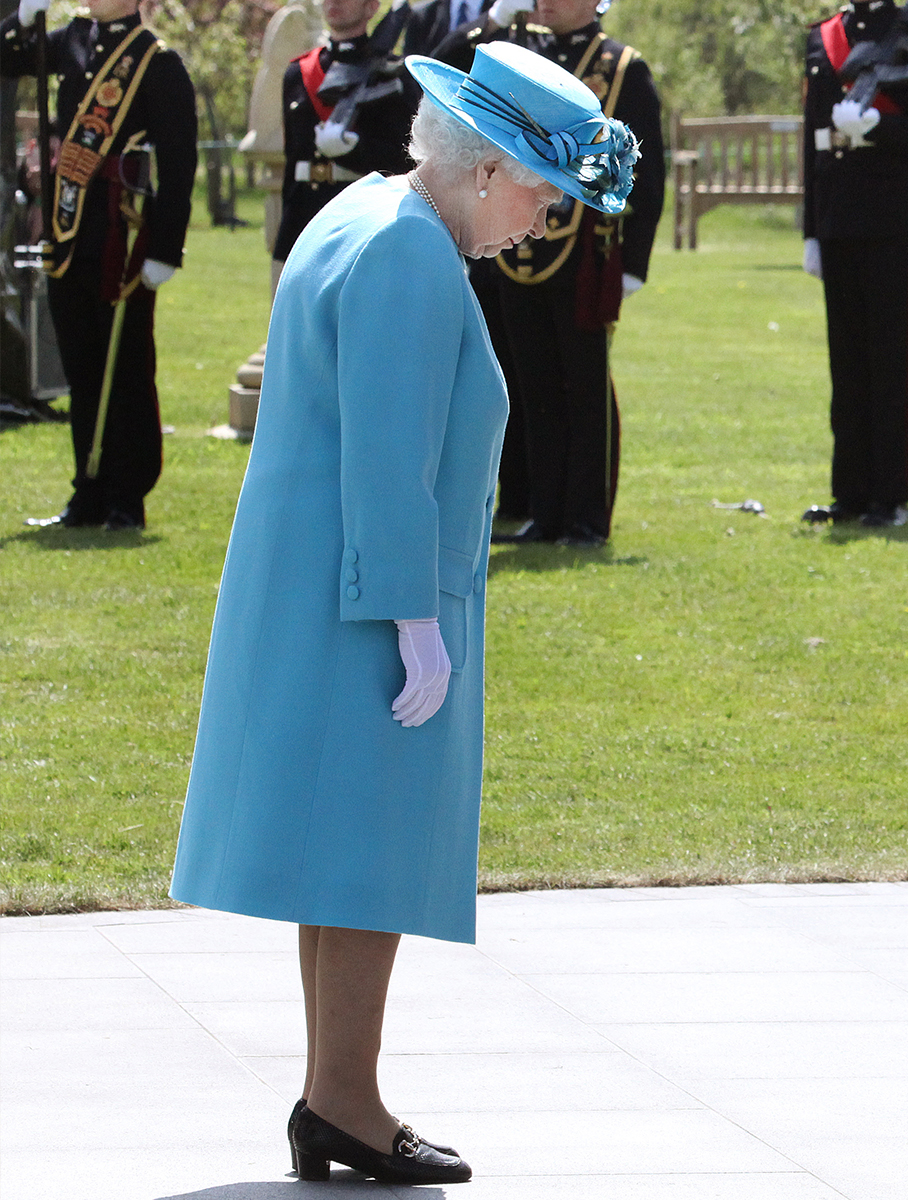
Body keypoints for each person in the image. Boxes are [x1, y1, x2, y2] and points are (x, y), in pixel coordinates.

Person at [167, 42, 636, 1184]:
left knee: (337, 859)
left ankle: (337, 1098)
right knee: (367, 857)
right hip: (363, 602)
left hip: (318, 587)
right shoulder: (409, 257)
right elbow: (389, 456)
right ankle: (348, 1103)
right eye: (541, 195)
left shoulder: (368, 211)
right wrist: (413, 615)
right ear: (485, 171)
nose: (542, 223)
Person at [437, 0, 663, 546]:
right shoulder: (522, 53)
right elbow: (439, 70)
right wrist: (491, 20)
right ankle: (544, 510)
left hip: (586, 253)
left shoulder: (621, 65)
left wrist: (633, 263)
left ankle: (586, 519)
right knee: (530, 383)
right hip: (519, 247)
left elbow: (648, 172)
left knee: (584, 385)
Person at [2, 0, 196, 532]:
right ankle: (86, 491)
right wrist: (22, 19)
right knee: (82, 367)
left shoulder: (158, 62)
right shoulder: (69, 42)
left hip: (122, 235)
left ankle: (125, 496)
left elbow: (180, 163)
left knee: (127, 366)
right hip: (69, 232)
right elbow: (6, 58)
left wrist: (165, 249)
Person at [800, 0, 908, 529]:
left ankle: (891, 495)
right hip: (839, 213)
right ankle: (851, 492)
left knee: (893, 363)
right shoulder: (823, 36)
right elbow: (811, 138)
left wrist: (877, 127)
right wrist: (811, 228)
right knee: (847, 363)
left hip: (893, 216)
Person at [273, 0, 419, 265]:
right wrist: (285, 235)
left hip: (365, 220)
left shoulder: (394, 73)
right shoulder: (299, 72)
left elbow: (405, 160)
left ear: (372, 7)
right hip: (304, 220)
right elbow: (292, 161)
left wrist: (356, 151)